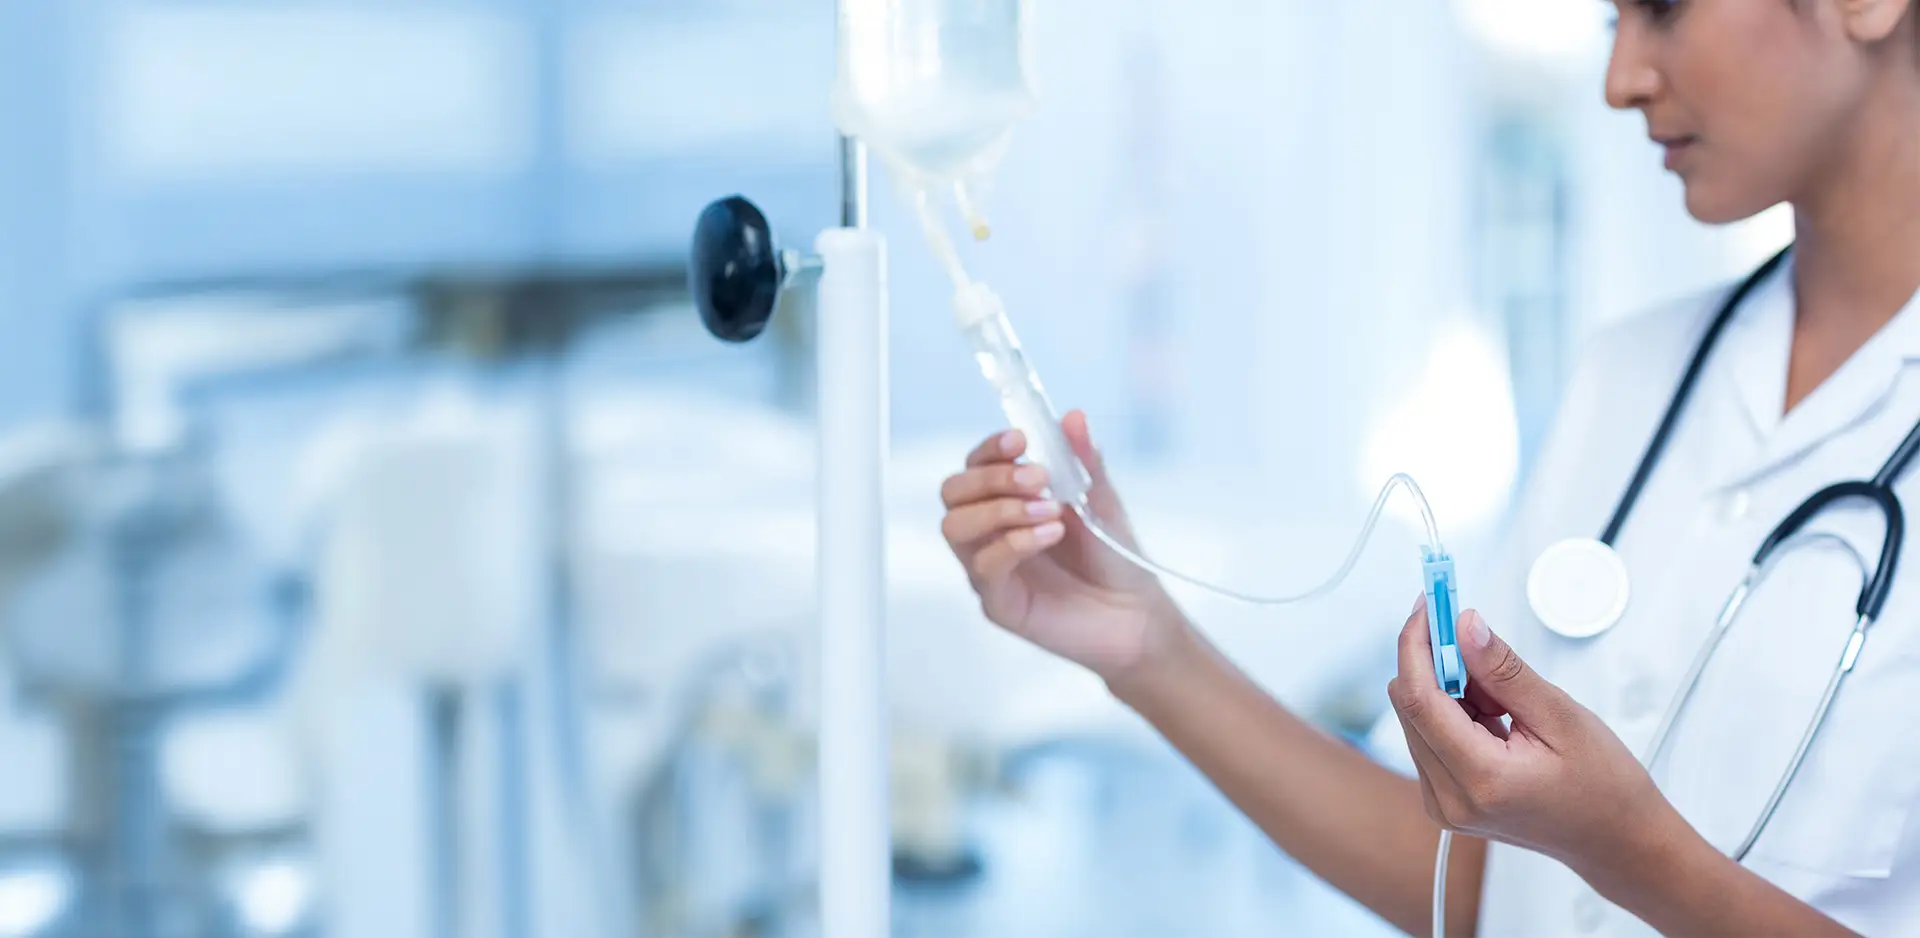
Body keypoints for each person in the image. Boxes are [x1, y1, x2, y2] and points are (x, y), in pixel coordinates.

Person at [937, 1, 1920, 935]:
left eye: (1663, 8)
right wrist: (1149, 648)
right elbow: (1486, 887)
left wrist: (1627, 846)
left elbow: (1596, 854)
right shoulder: (1633, 376)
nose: (1620, 80)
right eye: (1609, 21)